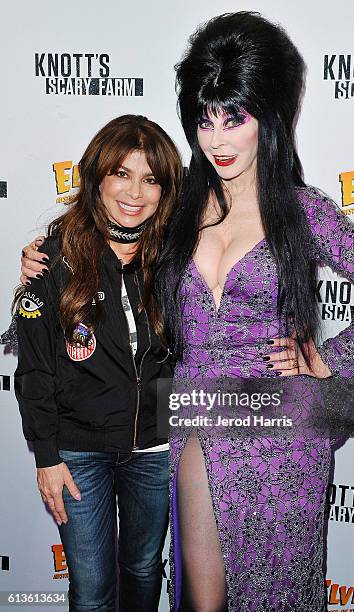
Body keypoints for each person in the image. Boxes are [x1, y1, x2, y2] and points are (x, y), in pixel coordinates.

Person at [151, 12, 354, 612]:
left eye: (233, 118)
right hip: (198, 415)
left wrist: (329, 373)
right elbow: (113, 230)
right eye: (204, 119)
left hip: (283, 431)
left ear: (269, 117)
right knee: (201, 602)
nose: (215, 140)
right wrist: (48, 260)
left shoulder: (302, 211)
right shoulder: (179, 206)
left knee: (277, 596)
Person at [14, 114, 183, 612]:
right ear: (97, 177)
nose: (136, 192)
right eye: (122, 174)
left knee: (144, 572)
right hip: (77, 454)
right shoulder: (53, 257)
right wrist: (46, 457)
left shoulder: (177, 256)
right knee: (90, 592)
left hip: (154, 448)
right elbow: (34, 371)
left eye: (151, 178)